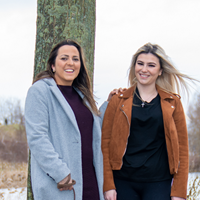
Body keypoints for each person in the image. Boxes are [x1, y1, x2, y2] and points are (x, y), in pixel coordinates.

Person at [101, 43, 194, 200]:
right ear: (134, 66)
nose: (144, 69)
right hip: (123, 182)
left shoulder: (173, 103)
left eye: (151, 65)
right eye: (140, 64)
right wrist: (108, 185)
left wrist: (178, 192)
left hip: (159, 183)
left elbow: (182, 150)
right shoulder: (118, 100)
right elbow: (105, 144)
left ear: (160, 71)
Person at [25, 39, 115, 200]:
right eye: (64, 58)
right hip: (63, 185)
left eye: (75, 59)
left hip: (90, 182)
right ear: (52, 65)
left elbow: (92, 131)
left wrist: (108, 104)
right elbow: (37, 138)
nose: (70, 63)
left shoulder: (82, 95)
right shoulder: (40, 91)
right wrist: (61, 174)